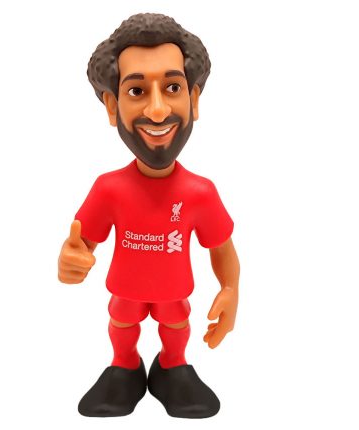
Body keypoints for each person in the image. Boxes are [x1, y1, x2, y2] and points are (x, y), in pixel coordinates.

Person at [58, 13, 240, 419]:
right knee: (122, 321)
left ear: (194, 99)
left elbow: (221, 247)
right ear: (112, 105)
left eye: (172, 87)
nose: (157, 111)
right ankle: (124, 366)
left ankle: (172, 367)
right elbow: (82, 241)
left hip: (174, 290)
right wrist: (70, 258)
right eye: (137, 90)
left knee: (175, 323)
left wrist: (231, 289)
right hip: (125, 288)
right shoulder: (108, 189)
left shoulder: (200, 193)